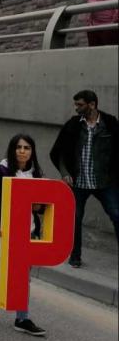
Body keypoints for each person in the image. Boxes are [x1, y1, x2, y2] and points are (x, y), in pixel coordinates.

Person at [0, 133, 47, 336]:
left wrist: (39, 208)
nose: (23, 151)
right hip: (4, 232)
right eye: (19, 147)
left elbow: (41, 207)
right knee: (6, 273)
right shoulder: (0, 172)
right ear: (13, 150)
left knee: (22, 275)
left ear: (32, 152)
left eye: (27, 148)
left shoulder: (36, 174)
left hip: (29, 232)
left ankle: (22, 319)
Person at [49, 90, 119, 268]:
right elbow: (58, 152)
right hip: (78, 183)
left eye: (80, 105)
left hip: (104, 183)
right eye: (76, 104)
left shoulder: (110, 123)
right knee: (75, 219)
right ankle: (75, 256)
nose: (76, 108)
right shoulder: (73, 125)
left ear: (92, 104)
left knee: (117, 214)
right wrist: (64, 172)